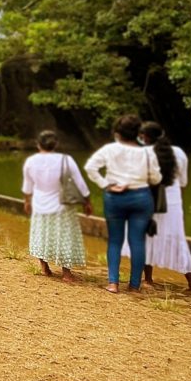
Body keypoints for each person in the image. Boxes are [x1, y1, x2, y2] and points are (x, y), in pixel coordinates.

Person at [85, 114, 161, 293]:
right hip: (141, 197)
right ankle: (134, 285)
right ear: (138, 133)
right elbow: (156, 177)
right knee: (138, 242)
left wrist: (105, 184)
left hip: (115, 197)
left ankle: (113, 283)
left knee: (115, 241)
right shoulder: (148, 152)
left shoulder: (110, 149)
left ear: (118, 132)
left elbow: (90, 167)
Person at [122, 122, 191, 292]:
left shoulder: (142, 154)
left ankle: (147, 279)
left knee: (147, 237)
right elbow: (183, 182)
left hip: (147, 200)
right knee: (177, 239)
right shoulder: (178, 153)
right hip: (172, 202)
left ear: (145, 137)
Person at [22, 130, 92, 282]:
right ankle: (66, 273)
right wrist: (87, 201)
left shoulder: (31, 161)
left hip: (40, 203)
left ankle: (45, 268)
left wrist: (27, 201)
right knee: (64, 235)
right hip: (62, 205)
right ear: (56, 144)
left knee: (41, 233)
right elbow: (80, 182)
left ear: (38, 144)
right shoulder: (66, 160)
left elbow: (28, 186)